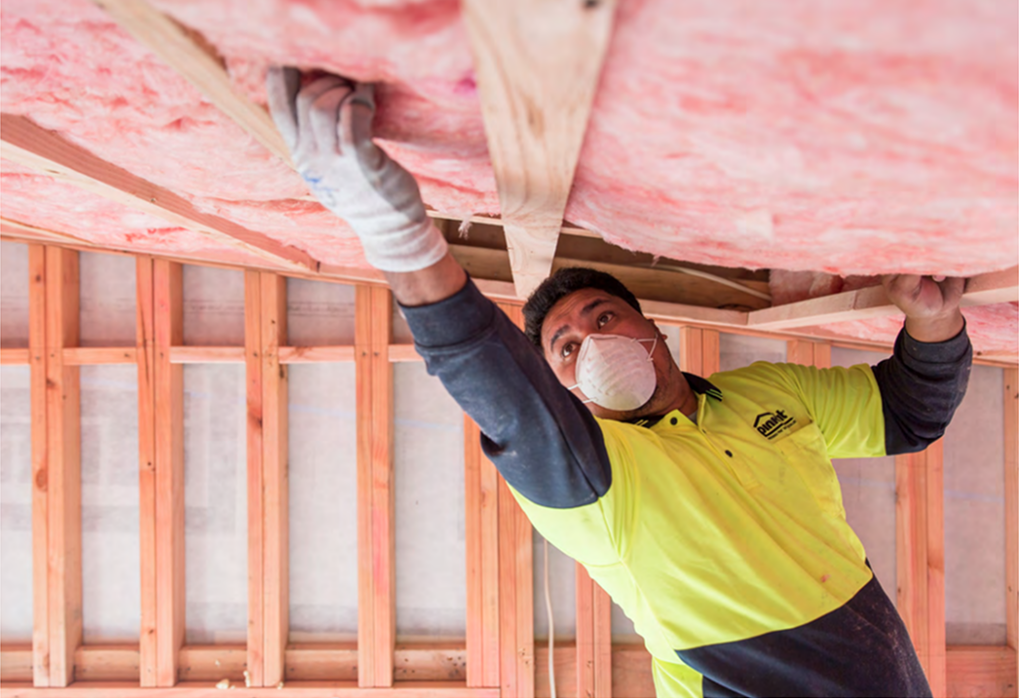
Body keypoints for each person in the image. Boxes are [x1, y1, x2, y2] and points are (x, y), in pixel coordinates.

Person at [266, 69, 972, 698]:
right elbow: (504, 392)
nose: (592, 342)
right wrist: (395, 233)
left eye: (604, 317)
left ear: (652, 330)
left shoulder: (770, 394)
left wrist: (933, 325)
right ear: (565, 390)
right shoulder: (601, 480)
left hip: (881, 656)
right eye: (566, 348)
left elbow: (905, 413)